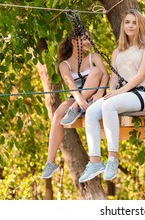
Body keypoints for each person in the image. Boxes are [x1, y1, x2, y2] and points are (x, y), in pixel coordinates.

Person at [78, 9, 145, 183]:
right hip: (121, 95)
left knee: (109, 105)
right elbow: (113, 78)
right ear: (123, 26)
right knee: (91, 112)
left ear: (140, 25)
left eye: (134, 22)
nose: (131, 25)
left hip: (141, 94)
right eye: (127, 22)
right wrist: (105, 94)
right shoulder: (117, 52)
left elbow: (141, 75)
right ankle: (95, 161)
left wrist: (117, 93)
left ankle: (113, 158)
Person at [40, 29, 109, 179]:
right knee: (58, 114)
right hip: (76, 98)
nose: (87, 42)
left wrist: (99, 93)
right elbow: (70, 84)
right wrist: (78, 99)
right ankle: (50, 163)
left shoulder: (93, 57)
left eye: (88, 39)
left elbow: (105, 75)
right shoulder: (64, 65)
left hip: (95, 97)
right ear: (73, 41)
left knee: (96, 71)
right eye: (84, 39)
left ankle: (75, 109)